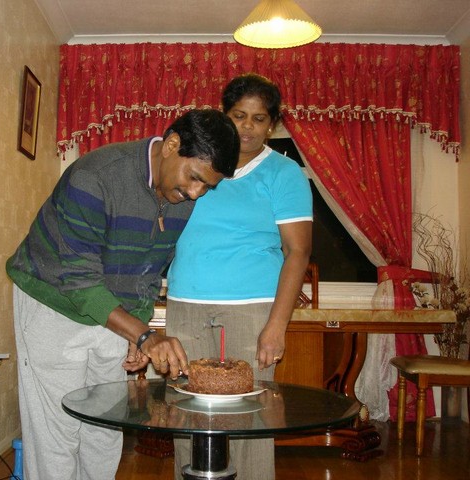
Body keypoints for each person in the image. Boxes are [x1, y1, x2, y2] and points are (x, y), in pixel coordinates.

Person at [6, 109, 240, 480]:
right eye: (195, 178)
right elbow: (80, 281)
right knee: (58, 432)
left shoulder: (183, 198)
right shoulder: (94, 176)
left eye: (206, 187)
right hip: (54, 300)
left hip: (113, 311)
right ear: (172, 145)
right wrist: (144, 336)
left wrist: (138, 328)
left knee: (105, 425)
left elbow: (149, 269)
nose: (196, 193)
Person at [166, 74, 313, 480]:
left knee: (252, 419)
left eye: (259, 118)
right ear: (224, 115)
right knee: (186, 412)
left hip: (253, 310)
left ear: (273, 124)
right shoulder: (198, 164)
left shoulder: (284, 174)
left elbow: (298, 252)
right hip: (186, 304)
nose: (247, 127)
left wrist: (276, 327)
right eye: (238, 115)